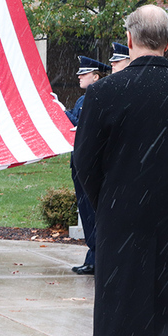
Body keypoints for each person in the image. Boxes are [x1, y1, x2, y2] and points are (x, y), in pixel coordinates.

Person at [73, 5, 168, 336]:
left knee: (121, 321)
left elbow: (85, 162)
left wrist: (111, 200)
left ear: (129, 39)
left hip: (122, 221)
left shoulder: (103, 93)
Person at [65, 55, 110, 275]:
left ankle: (96, 257)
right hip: (80, 164)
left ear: (95, 76)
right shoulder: (83, 100)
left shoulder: (97, 98)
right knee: (87, 213)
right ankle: (93, 257)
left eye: (84, 73)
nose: (79, 77)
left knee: (92, 213)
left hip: (91, 165)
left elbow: (81, 126)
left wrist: (60, 111)